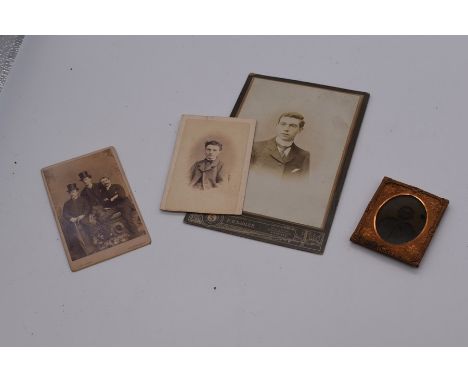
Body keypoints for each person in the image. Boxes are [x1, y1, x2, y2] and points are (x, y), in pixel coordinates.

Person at [251, 112, 310, 179]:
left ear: (300, 130)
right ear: (277, 126)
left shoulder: (304, 155)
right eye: (283, 124)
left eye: (292, 126)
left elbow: (303, 185)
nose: (286, 129)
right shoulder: (255, 147)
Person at [62, 183, 95, 258]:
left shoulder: (83, 199)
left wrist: (83, 215)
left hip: (83, 218)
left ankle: (93, 244)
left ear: (77, 192)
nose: (72, 193)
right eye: (71, 192)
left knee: (88, 227)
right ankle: (83, 251)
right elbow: (65, 213)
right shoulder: (67, 204)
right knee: (74, 233)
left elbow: (87, 208)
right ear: (69, 193)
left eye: (74, 191)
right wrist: (71, 218)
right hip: (74, 222)